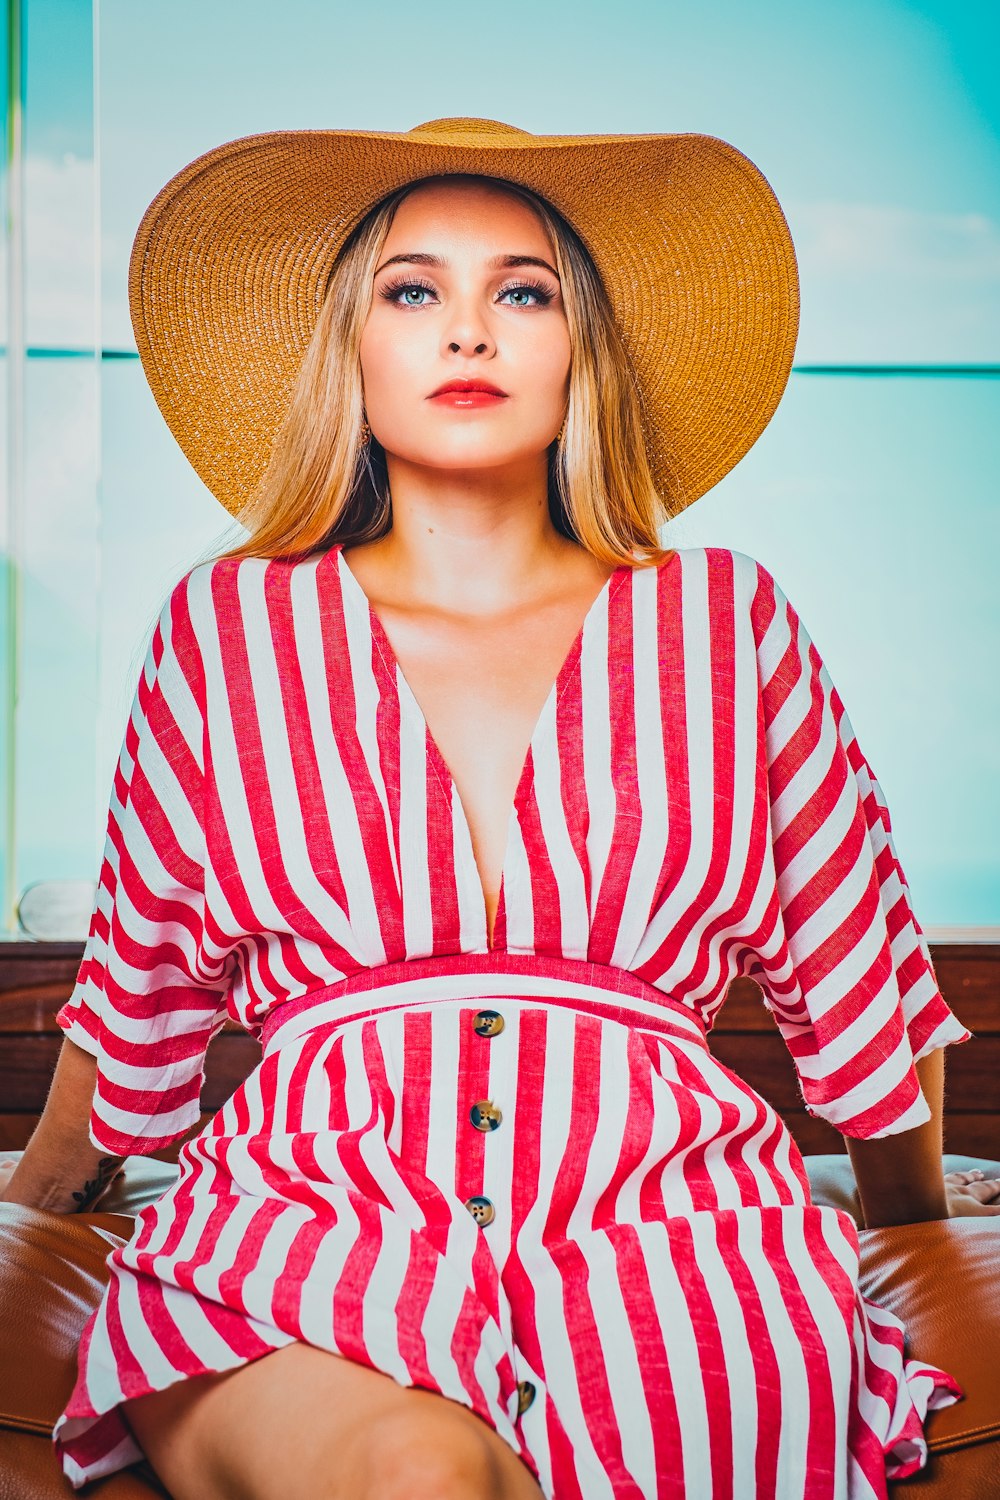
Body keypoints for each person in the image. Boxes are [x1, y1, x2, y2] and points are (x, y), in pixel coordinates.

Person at [2, 116, 997, 1500]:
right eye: (413, 292)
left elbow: (862, 985)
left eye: (521, 292)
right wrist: (31, 1203)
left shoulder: (728, 619)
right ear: (350, 344)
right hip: (305, 1230)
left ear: (580, 343)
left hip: (679, 1238)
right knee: (414, 1470)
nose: (467, 333)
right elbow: (143, 995)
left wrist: (918, 1241)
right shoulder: (228, 626)